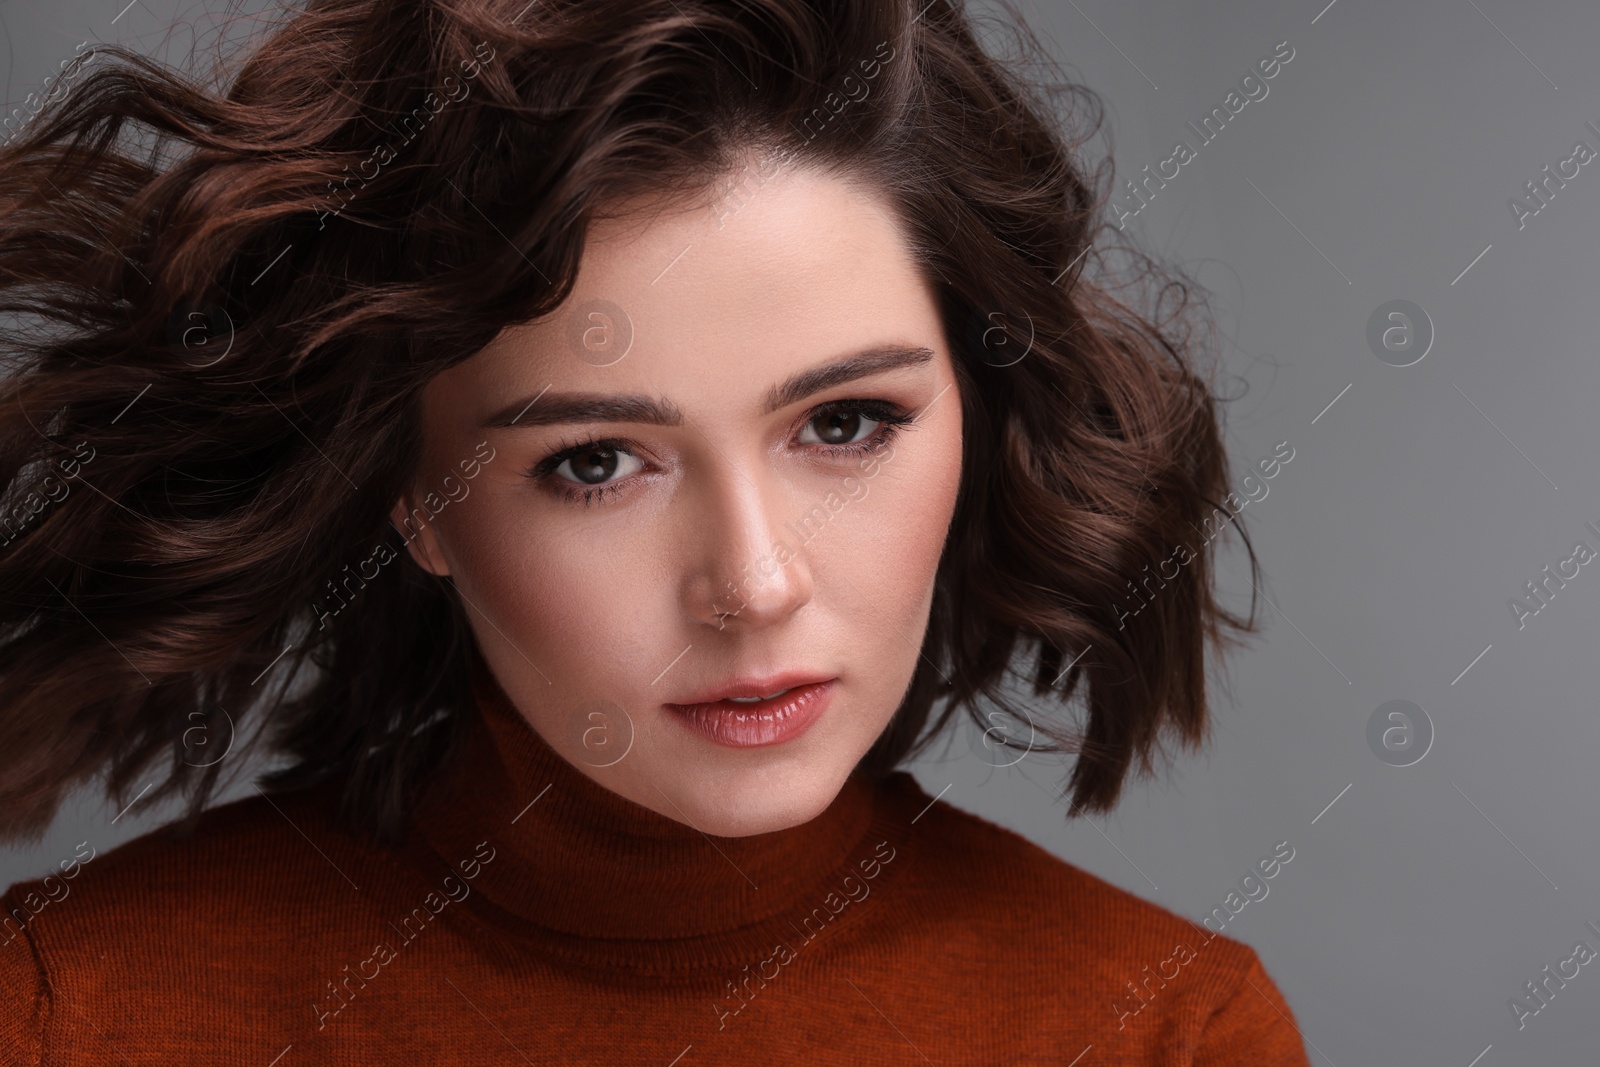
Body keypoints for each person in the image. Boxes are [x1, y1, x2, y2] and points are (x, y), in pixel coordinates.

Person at [0, 0, 1310, 1061]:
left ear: (976, 401)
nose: (753, 583)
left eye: (846, 424)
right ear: (414, 496)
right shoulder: (73, 1017)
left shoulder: (1166, 1033)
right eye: (595, 460)